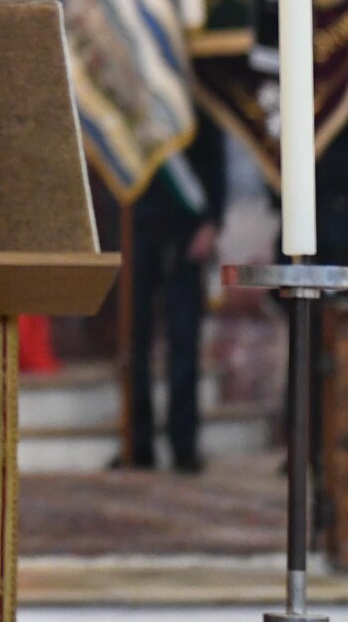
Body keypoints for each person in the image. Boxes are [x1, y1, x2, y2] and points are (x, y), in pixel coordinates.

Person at [123, 113, 225, 474]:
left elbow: (214, 153)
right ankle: (138, 444)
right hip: (137, 223)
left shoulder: (187, 92)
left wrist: (213, 219)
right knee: (134, 337)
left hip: (189, 225)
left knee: (184, 339)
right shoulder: (129, 94)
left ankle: (184, 445)